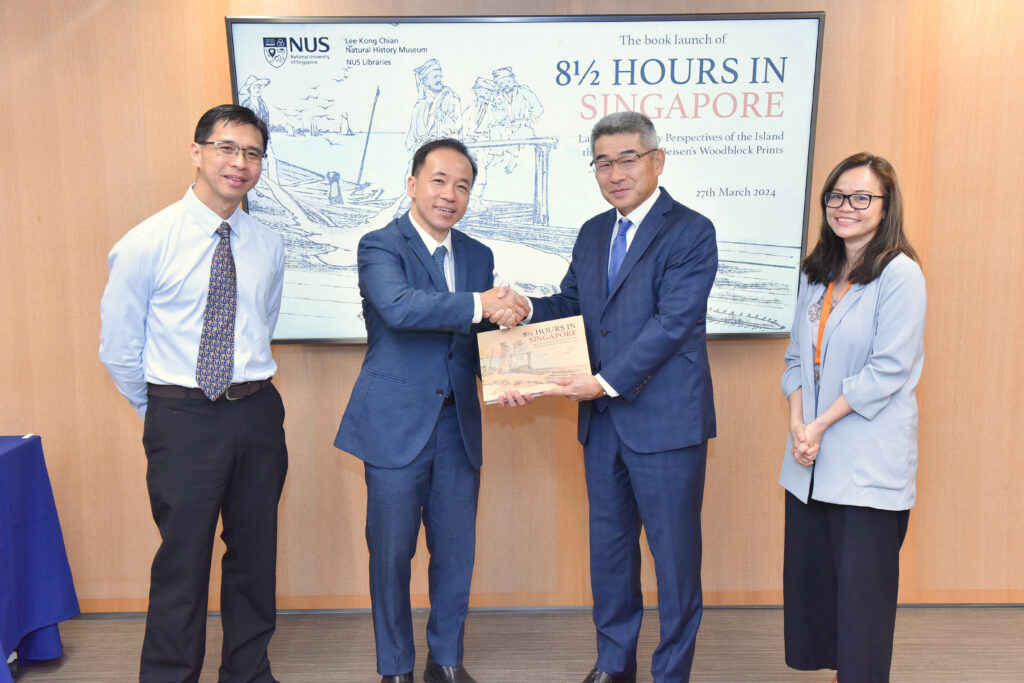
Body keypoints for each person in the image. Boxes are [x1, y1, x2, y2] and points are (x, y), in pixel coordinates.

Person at [501, 111, 718, 683]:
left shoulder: (692, 231)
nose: (615, 172)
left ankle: (671, 673)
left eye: (628, 159)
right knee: (611, 555)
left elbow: (672, 325)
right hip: (603, 428)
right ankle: (613, 664)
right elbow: (572, 306)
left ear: (656, 160)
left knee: (674, 563)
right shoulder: (594, 231)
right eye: (603, 162)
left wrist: (602, 382)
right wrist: (522, 310)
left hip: (666, 423)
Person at [99, 104, 288, 682]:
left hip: (257, 413)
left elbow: (262, 323)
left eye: (252, 153)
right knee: (182, 564)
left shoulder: (267, 244)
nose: (240, 163)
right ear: (198, 152)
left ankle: (248, 673)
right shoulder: (145, 242)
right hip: (182, 417)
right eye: (228, 148)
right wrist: (164, 411)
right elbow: (119, 348)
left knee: (254, 562)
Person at [334, 138, 525, 683]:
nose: (451, 194)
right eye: (439, 181)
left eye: (462, 185)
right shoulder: (379, 245)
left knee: (455, 554)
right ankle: (395, 668)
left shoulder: (477, 255)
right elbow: (399, 309)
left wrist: (510, 377)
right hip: (395, 425)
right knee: (391, 557)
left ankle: (446, 661)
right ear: (413, 184)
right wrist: (479, 304)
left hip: (458, 426)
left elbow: (480, 337)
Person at [779, 153, 926, 682]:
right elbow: (796, 359)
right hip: (809, 464)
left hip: (866, 467)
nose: (847, 207)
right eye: (837, 196)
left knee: (863, 610)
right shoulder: (816, 273)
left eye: (862, 198)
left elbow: (888, 370)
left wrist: (817, 426)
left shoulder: (901, 275)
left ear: (885, 207)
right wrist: (800, 422)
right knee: (819, 599)